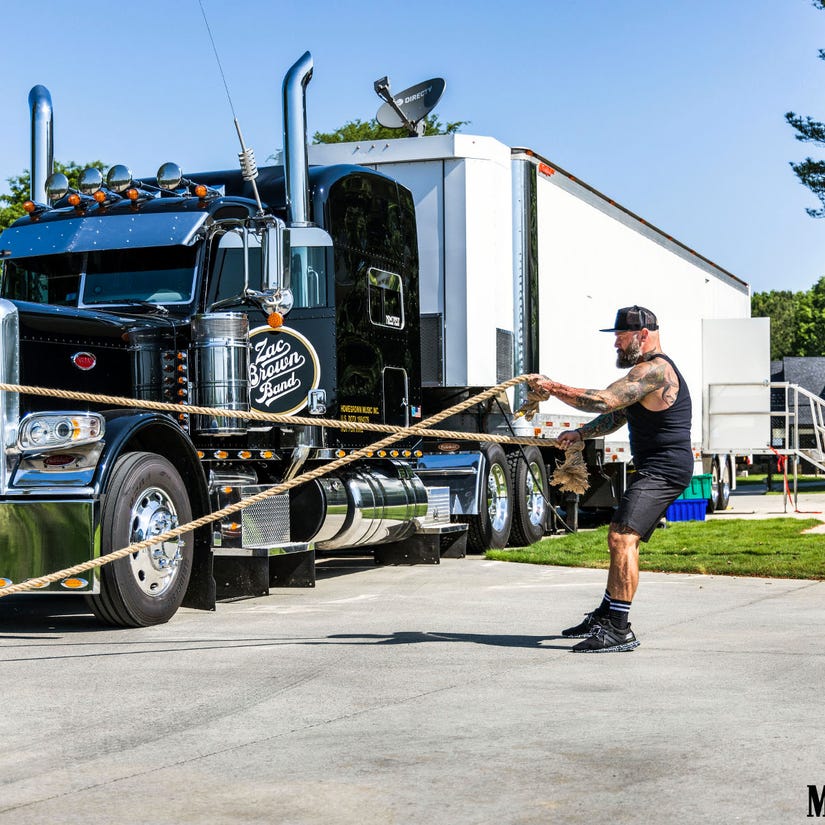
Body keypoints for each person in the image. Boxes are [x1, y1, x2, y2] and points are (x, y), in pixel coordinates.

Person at [525, 305, 693, 653]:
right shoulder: (642, 375)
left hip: (665, 469)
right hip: (654, 466)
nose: (616, 343)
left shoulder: (655, 371)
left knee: (621, 538)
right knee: (619, 536)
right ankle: (606, 614)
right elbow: (617, 414)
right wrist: (583, 434)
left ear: (643, 335)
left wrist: (553, 386)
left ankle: (619, 629)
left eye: (620, 336)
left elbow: (604, 401)